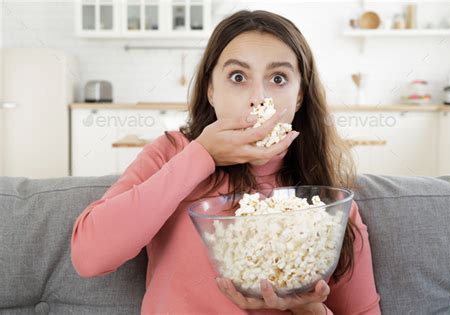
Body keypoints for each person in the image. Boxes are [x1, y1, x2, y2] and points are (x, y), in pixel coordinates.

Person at [71, 10, 381, 315]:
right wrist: (202, 155)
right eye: (237, 77)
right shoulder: (172, 153)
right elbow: (89, 256)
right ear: (211, 90)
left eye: (278, 78)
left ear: (299, 96)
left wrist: (310, 309)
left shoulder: (330, 204)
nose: (259, 98)